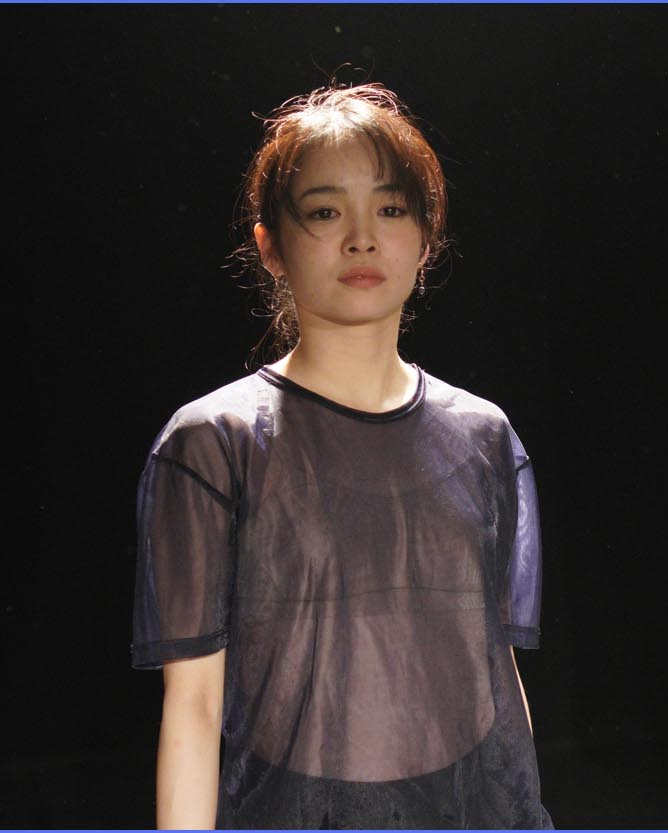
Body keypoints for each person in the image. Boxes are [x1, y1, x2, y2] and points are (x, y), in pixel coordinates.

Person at [130, 84, 553, 830]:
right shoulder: (215, 444)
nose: (362, 238)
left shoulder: (483, 438)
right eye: (325, 212)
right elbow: (192, 708)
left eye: (391, 209)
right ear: (270, 246)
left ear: (426, 239)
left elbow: (495, 678)